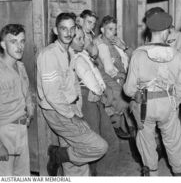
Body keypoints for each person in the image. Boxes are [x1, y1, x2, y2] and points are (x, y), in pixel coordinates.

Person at [37, 12, 108, 176]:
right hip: (58, 112)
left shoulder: (69, 52)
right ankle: (58, 155)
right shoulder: (48, 54)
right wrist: (72, 115)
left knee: (75, 157)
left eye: (71, 29)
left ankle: (65, 157)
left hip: (71, 107)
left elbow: (73, 84)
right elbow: (52, 95)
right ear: (56, 30)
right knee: (99, 146)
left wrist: (78, 108)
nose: (68, 33)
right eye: (63, 29)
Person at [123, 12, 181, 176]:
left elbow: (128, 89)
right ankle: (179, 173)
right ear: (167, 31)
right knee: (174, 140)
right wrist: (174, 102)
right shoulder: (177, 55)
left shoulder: (138, 54)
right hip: (168, 102)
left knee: (146, 140)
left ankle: (152, 173)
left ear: (149, 29)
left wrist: (136, 94)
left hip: (145, 105)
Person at [70, 25, 119, 176]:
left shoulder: (83, 54)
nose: (82, 41)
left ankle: (105, 175)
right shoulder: (72, 57)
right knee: (95, 142)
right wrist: (97, 91)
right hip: (86, 98)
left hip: (95, 96)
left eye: (83, 38)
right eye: (78, 38)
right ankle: (94, 174)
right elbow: (83, 76)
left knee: (110, 141)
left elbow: (95, 73)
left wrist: (100, 90)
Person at [0, 24, 34, 176]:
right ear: (2, 44)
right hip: (4, 133)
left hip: (21, 130)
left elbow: (26, 93)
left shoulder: (20, 66)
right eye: (13, 41)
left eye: (22, 41)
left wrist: (30, 107)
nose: (19, 46)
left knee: (22, 176)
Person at [94, 15, 134, 139]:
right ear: (102, 30)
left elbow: (132, 57)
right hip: (107, 78)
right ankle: (115, 126)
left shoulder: (117, 41)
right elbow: (106, 69)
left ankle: (131, 128)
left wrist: (124, 47)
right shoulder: (98, 44)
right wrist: (122, 76)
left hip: (124, 75)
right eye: (110, 29)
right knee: (119, 96)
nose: (113, 32)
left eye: (115, 29)